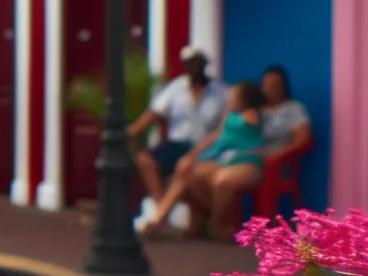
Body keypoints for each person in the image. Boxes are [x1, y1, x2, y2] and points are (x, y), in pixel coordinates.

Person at [186, 64, 312, 234]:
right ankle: (210, 222)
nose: (269, 90)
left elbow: (303, 139)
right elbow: (226, 131)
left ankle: (219, 225)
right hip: (236, 157)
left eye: (275, 85)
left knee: (222, 181)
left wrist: (278, 155)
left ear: (284, 87)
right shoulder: (254, 109)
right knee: (194, 173)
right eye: (266, 85)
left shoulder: (292, 109)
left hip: (270, 164)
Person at [141, 80, 268, 238]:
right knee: (185, 171)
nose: (229, 97)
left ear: (242, 100)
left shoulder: (252, 116)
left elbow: (254, 124)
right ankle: (161, 217)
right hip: (223, 159)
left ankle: (217, 223)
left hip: (244, 161)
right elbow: (216, 136)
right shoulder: (229, 115)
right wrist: (193, 154)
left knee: (220, 181)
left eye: (234, 95)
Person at [129, 46, 228, 207]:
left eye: (197, 64)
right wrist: (133, 131)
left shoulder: (220, 91)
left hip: (205, 146)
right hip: (176, 144)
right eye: (189, 64)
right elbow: (155, 112)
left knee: (188, 169)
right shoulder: (176, 88)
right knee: (145, 160)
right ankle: (161, 208)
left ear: (204, 65)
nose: (193, 68)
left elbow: (225, 124)